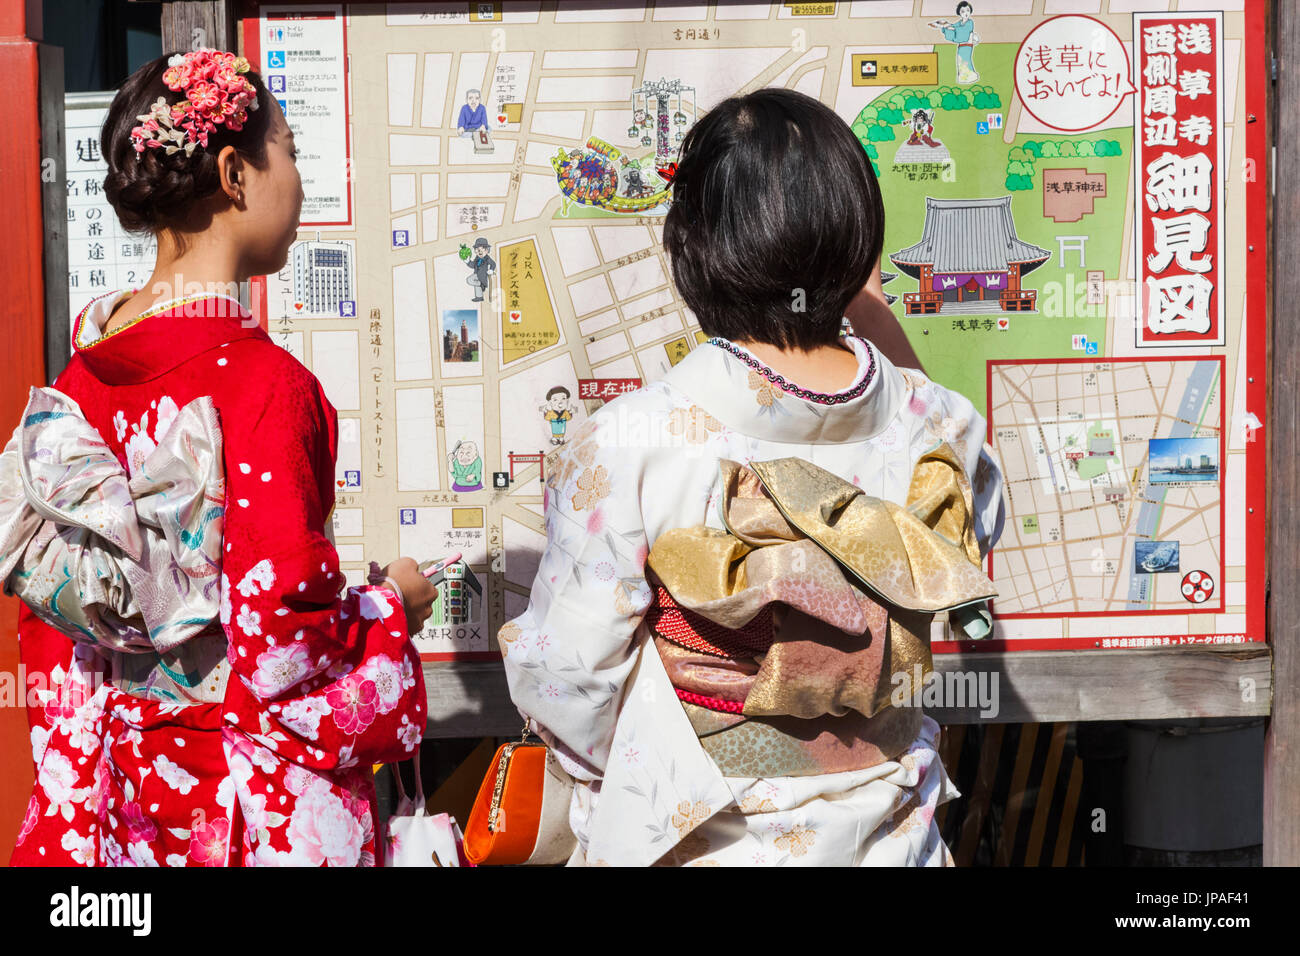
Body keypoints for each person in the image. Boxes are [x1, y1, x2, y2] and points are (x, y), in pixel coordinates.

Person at [499, 87, 1005, 866]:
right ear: (858, 233)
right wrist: (868, 312)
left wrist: (655, 760)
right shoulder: (942, 424)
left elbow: (570, 677)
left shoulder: (634, 439)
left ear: (695, 246)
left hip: (703, 834)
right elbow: (970, 534)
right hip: (893, 827)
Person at [4, 49, 437, 867]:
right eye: (293, 151)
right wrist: (390, 612)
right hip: (238, 813)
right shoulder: (266, 386)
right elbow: (285, 647)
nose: (301, 179)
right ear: (236, 175)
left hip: (121, 804)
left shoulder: (75, 382)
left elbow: (54, 625)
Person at [930, 2, 980, 84]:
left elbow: (962, 32)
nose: (966, 13)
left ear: (970, 11)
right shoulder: (959, 23)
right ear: (959, 13)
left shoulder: (970, 22)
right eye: (963, 11)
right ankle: (964, 78)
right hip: (961, 46)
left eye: (967, 10)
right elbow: (954, 27)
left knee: (966, 60)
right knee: (960, 61)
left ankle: (971, 77)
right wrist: (945, 26)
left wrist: (951, 28)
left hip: (967, 45)